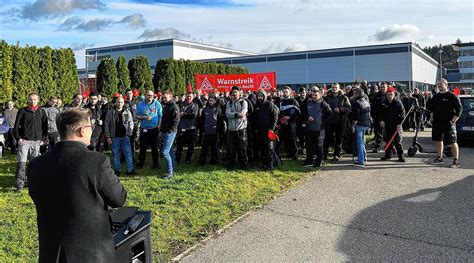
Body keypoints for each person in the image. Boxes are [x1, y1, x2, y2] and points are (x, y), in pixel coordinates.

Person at [27, 108, 127, 262]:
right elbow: (118, 198)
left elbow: (36, 196)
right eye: (91, 128)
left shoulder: (36, 165)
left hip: (52, 250)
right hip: (91, 251)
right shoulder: (96, 161)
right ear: (82, 130)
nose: (92, 131)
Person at [14, 92, 48, 192]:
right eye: (30, 99)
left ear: (38, 100)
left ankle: (33, 184)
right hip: (24, 141)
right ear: (28, 100)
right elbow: (16, 126)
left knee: (34, 164)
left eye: (34, 99)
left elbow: (45, 127)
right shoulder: (22, 111)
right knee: (21, 164)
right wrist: (18, 138)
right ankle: (19, 185)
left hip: (37, 142)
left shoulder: (41, 111)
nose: (32, 101)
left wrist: (43, 140)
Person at [426, 78, 463, 168]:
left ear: (446, 85)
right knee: (438, 140)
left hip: (449, 123)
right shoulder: (436, 96)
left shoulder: (452, 96)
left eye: (440, 84)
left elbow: (459, 109)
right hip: (437, 123)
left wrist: (453, 120)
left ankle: (456, 161)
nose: (439, 86)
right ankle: (439, 157)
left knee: (453, 141)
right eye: (438, 84)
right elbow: (430, 108)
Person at [104, 96, 136, 176]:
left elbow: (131, 123)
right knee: (115, 154)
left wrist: (129, 133)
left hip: (125, 137)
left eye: (121, 102)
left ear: (123, 103)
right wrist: (108, 137)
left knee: (128, 153)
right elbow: (106, 125)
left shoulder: (127, 112)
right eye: (118, 102)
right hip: (114, 137)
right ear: (116, 103)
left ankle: (130, 170)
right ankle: (117, 170)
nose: (120, 104)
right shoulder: (110, 113)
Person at [302, 87, 331, 168]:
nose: (314, 96)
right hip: (309, 128)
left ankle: (319, 161)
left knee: (319, 146)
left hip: (320, 129)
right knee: (309, 145)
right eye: (313, 95)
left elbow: (330, 114)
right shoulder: (307, 103)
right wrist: (307, 117)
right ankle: (309, 161)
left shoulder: (323, 104)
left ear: (320, 95)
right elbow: (303, 113)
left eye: (316, 95)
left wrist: (323, 122)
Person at [323, 83, 351, 161]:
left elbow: (349, 109)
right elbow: (322, 108)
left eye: (336, 87)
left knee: (339, 139)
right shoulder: (327, 97)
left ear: (339, 89)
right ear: (331, 88)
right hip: (329, 122)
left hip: (340, 122)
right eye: (333, 87)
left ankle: (336, 155)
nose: (334, 88)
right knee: (327, 139)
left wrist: (340, 109)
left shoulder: (344, 98)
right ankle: (324, 154)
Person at [136, 90, 163, 169]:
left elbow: (160, 116)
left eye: (151, 95)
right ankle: (141, 163)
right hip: (144, 129)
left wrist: (159, 126)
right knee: (143, 147)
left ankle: (156, 164)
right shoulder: (140, 105)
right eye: (148, 95)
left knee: (155, 147)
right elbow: (137, 116)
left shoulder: (157, 104)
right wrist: (144, 117)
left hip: (154, 129)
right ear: (145, 95)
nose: (150, 97)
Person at [254, 90, 279, 170]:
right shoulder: (256, 105)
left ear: (264, 96)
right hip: (260, 131)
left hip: (269, 131)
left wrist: (272, 129)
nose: (260, 97)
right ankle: (264, 163)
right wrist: (256, 129)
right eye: (258, 96)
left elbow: (275, 117)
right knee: (262, 148)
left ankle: (270, 165)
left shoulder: (270, 104)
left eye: (261, 96)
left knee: (269, 148)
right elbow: (255, 118)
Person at [379, 87, 406, 162]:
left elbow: (403, 113)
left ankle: (401, 156)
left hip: (396, 125)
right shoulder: (384, 103)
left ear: (394, 94)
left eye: (391, 94)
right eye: (388, 95)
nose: (390, 96)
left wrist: (399, 123)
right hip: (387, 125)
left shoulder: (398, 103)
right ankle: (388, 155)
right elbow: (381, 113)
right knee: (388, 141)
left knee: (398, 141)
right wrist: (381, 120)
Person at [225, 86, 249, 170]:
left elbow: (243, 114)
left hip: (241, 129)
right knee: (231, 149)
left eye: (236, 92)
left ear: (239, 93)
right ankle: (232, 164)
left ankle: (244, 164)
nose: (234, 94)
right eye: (233, 92)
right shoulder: (229, 103)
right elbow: (227, 114)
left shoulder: (244, 102)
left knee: (242, 148)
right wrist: (236, 114)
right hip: (231, 130)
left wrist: (233, 114)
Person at [198, 94, 224, 166]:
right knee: (204, 148)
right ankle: (202, 161)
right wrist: (202, 130)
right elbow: (202, 120)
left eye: (212, 101)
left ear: (215, 101)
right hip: (206, 132)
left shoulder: (218, 110)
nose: (210, 102)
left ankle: (214, 161)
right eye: (209, 100)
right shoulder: (205, 109)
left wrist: (220, 131)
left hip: (215, 132)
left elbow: (220, 121)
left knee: (214, 148)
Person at [160, 90, 180, 179]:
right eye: (163, 97)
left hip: (170, 132)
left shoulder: (174, 106)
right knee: (170, 151)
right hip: (165, 131)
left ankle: (170, 172)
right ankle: (172, 168)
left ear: (171, 96)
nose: (164, 99)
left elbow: (176, 121)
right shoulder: (166, 106)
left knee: (165, 152)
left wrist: (170, 131)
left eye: (165, 97)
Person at [350, 87, 372, 167]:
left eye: (355, 93)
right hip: (366, 124)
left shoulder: (357, 103)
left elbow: (355, 117)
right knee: (362, 142)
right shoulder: (366, 101)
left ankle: (361, 160)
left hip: (360, 124)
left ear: (358, 94)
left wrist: (353, 126)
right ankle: (364, 158)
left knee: (359, 143)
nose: (353, 94)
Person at [278, 86, 300, 160]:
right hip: (283, 124)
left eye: (286, 92)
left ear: (290, 92)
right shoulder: (281, 102)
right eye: (284, 92)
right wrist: (280, 121)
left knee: (292, 139)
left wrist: (290, 117)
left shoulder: (294, 101)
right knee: (286, 139)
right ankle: (289, 153)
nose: (285, 93)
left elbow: (298, 113)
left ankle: (294, 155)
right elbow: (278, 113)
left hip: (291, 124)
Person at [176, 92, 198, 164]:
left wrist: (184, 114)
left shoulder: (195, 105)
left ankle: (188, 159)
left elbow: (193, 115)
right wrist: (182, 114)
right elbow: (177, 114)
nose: (189, 98)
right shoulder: (181, 104)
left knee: (191, 145)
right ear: (185, 97)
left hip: (191, 128)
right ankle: (177, 159)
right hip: (182, 128)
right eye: (188, 96)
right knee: (179, 145)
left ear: (193, 97)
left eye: (190, 97)